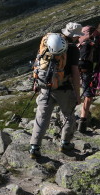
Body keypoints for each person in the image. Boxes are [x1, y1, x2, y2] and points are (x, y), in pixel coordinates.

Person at [29, 23, 82, 159]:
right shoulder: (73, 50)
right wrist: (77, 93)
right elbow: (75, 73)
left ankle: (34, 147)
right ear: (75, 36)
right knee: (68, 115)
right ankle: (65, 143)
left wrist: (36, 82)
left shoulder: (51, 43)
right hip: (64, 88)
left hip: (45, 86)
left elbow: (39, 63)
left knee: (41, 117)